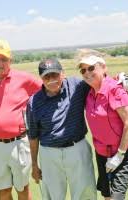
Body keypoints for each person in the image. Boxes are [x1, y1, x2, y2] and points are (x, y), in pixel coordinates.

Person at [0, 40, 41, 200]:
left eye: (4, 59)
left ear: (10, 60)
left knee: (23, 189)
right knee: (3, 192)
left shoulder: (25, 79)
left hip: (19, 143)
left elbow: (46, 90)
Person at [26, 58, 97, 200]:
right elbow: (33, 136)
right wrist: (34, 164)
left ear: (62, 74)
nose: (52, 79)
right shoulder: (34, 102)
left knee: (85, 194)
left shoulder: (77, 86)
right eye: (47, 76)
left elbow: (98, 83)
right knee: (53, 196)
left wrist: (117, 82)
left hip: (77, 149)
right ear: (41, 78)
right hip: (49, 154)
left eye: (55, 75)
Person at [76, 53, 128, 200]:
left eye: (91, 68)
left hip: (124, 149)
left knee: (116, 196)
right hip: (102, 151)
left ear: (103, 68)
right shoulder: (88, 91)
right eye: (83, 70)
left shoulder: (115, 90)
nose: (87, 73)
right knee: (107, 194)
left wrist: (119, 155)